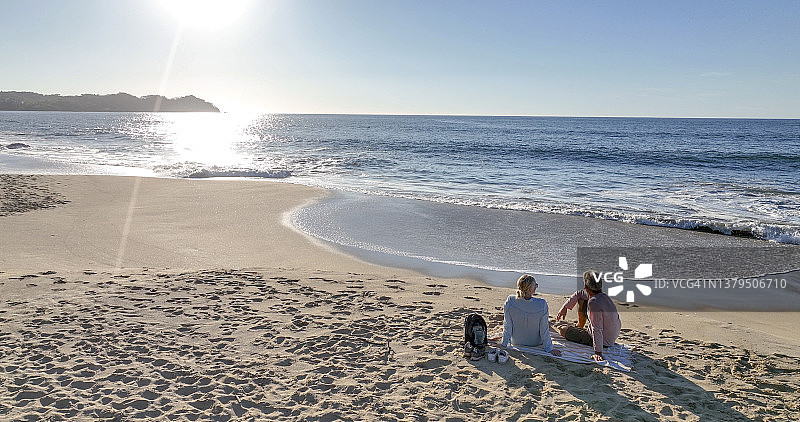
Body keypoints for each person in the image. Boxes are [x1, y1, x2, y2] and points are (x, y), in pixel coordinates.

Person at [555, 270, 621, 361]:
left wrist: (598, 353)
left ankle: (580, 330)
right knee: (582, 299)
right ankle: (580, 326)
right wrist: (565, 307)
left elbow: (596, 329)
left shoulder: (593, 303)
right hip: (611, 337)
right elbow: (579, 294)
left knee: (562, 329)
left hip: (603, 342)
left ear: (585, 286)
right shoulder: (603, 296)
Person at [501, 275, 561, 356]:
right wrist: (549, 349)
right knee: (547, 325)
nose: (537, 286)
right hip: (535, 343)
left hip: (516, 341)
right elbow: (544, 329)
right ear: (529, 289)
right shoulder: (542, 304)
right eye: (535, 285)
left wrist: (504, 344)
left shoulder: (510, 301)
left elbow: (508, 325)